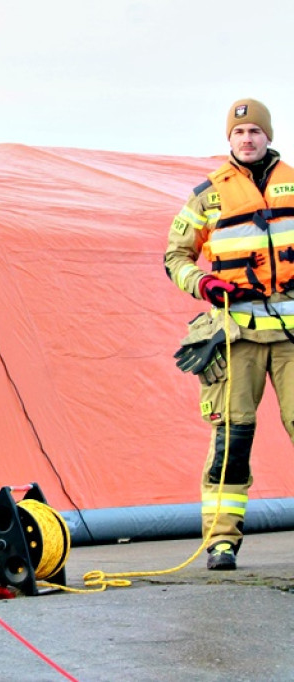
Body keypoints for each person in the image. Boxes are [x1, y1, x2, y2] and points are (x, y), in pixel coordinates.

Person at [165, 98, 294, 571]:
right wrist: (203, 283)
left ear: (268, 135)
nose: (247, 138)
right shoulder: (207, 196)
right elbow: (175, 256)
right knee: (231, 439)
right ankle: (221, 542)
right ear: (229, 139)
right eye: (239, 132)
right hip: (236, 334)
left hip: (290, 336)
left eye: (255, 131)